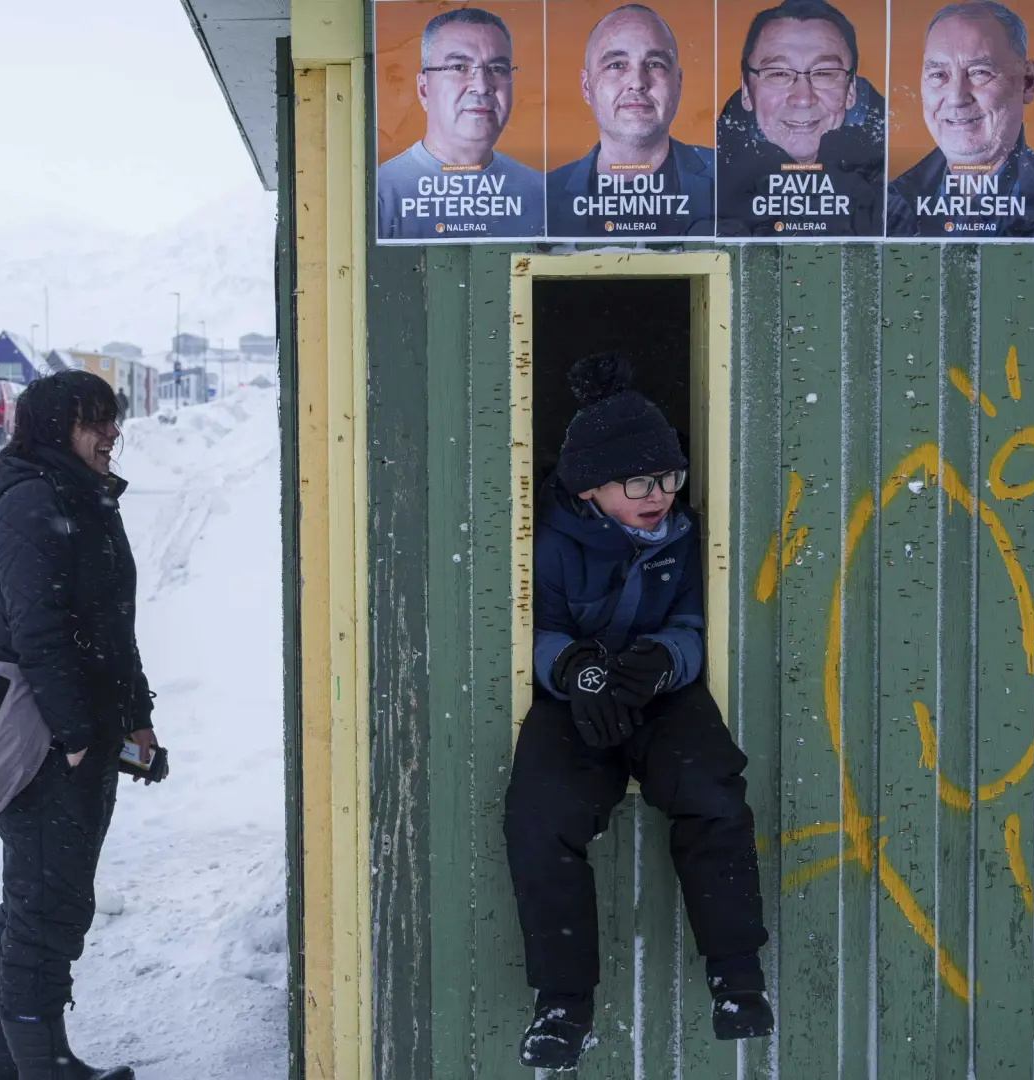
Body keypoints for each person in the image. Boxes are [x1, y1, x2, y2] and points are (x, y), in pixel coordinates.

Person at [504, 353, 770, 1070]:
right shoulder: (551, 546)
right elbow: (534, 627)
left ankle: (736, 976)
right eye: (642, 482)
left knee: (714, 790)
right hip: (576, 699)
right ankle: (563, 1003)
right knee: (541, 814)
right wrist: (573, 667)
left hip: (658, 694)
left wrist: (661, 661)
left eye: (671, 477)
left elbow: (690, 625)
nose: (661, 494)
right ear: (591, 488)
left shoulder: (682, 539)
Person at [0, 369, 158, 1080]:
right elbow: (39, 632)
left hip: (79, 738)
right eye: (94, 420)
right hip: (47, 745)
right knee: (47, 909)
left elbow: (111, 627)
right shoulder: (30, 503)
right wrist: (77, 736)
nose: (112, 432)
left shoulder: (80, 495)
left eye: (113, 418)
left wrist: (136, 717)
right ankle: (42, 1066)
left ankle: (1, 1065)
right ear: (56, 428)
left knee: (37, 900)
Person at [715, 0, 885, 237]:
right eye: (779, 73)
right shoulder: (707, 188)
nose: (803, 98)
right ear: (746, 90)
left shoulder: (896, 190)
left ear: (851, 91)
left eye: (825, 73)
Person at [886, 0, 1034, 238]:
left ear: (1027, 81)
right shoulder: (887, 204)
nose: (956, 97)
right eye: (938, 74)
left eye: (980, 72)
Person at [545, 4, 714, 238]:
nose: (637, 82)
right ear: (586, 86)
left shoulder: (732, 181)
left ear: (678, 84)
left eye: (655, 64)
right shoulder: (542, 197)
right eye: (616, 65)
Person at [377, 7, 545, 240]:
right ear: (424, 89)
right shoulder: (379, 197)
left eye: (497, 69)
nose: (482, 86)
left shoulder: (543, 194)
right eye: (459, 67)